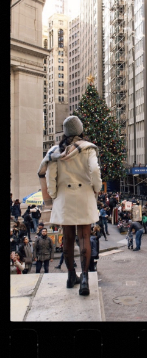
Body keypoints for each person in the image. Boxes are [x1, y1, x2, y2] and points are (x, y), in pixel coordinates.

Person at [37, 116, 99, 296]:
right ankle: (85, 278)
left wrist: (55, 195)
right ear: (80, 130)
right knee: (85, 237)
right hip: (84, 195)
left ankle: (71, 276)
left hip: (64, 197)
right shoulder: (88, 148)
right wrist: (96, 188)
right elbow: (94, 170)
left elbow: (50, 176)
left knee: (68, 238)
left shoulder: (56, 151)